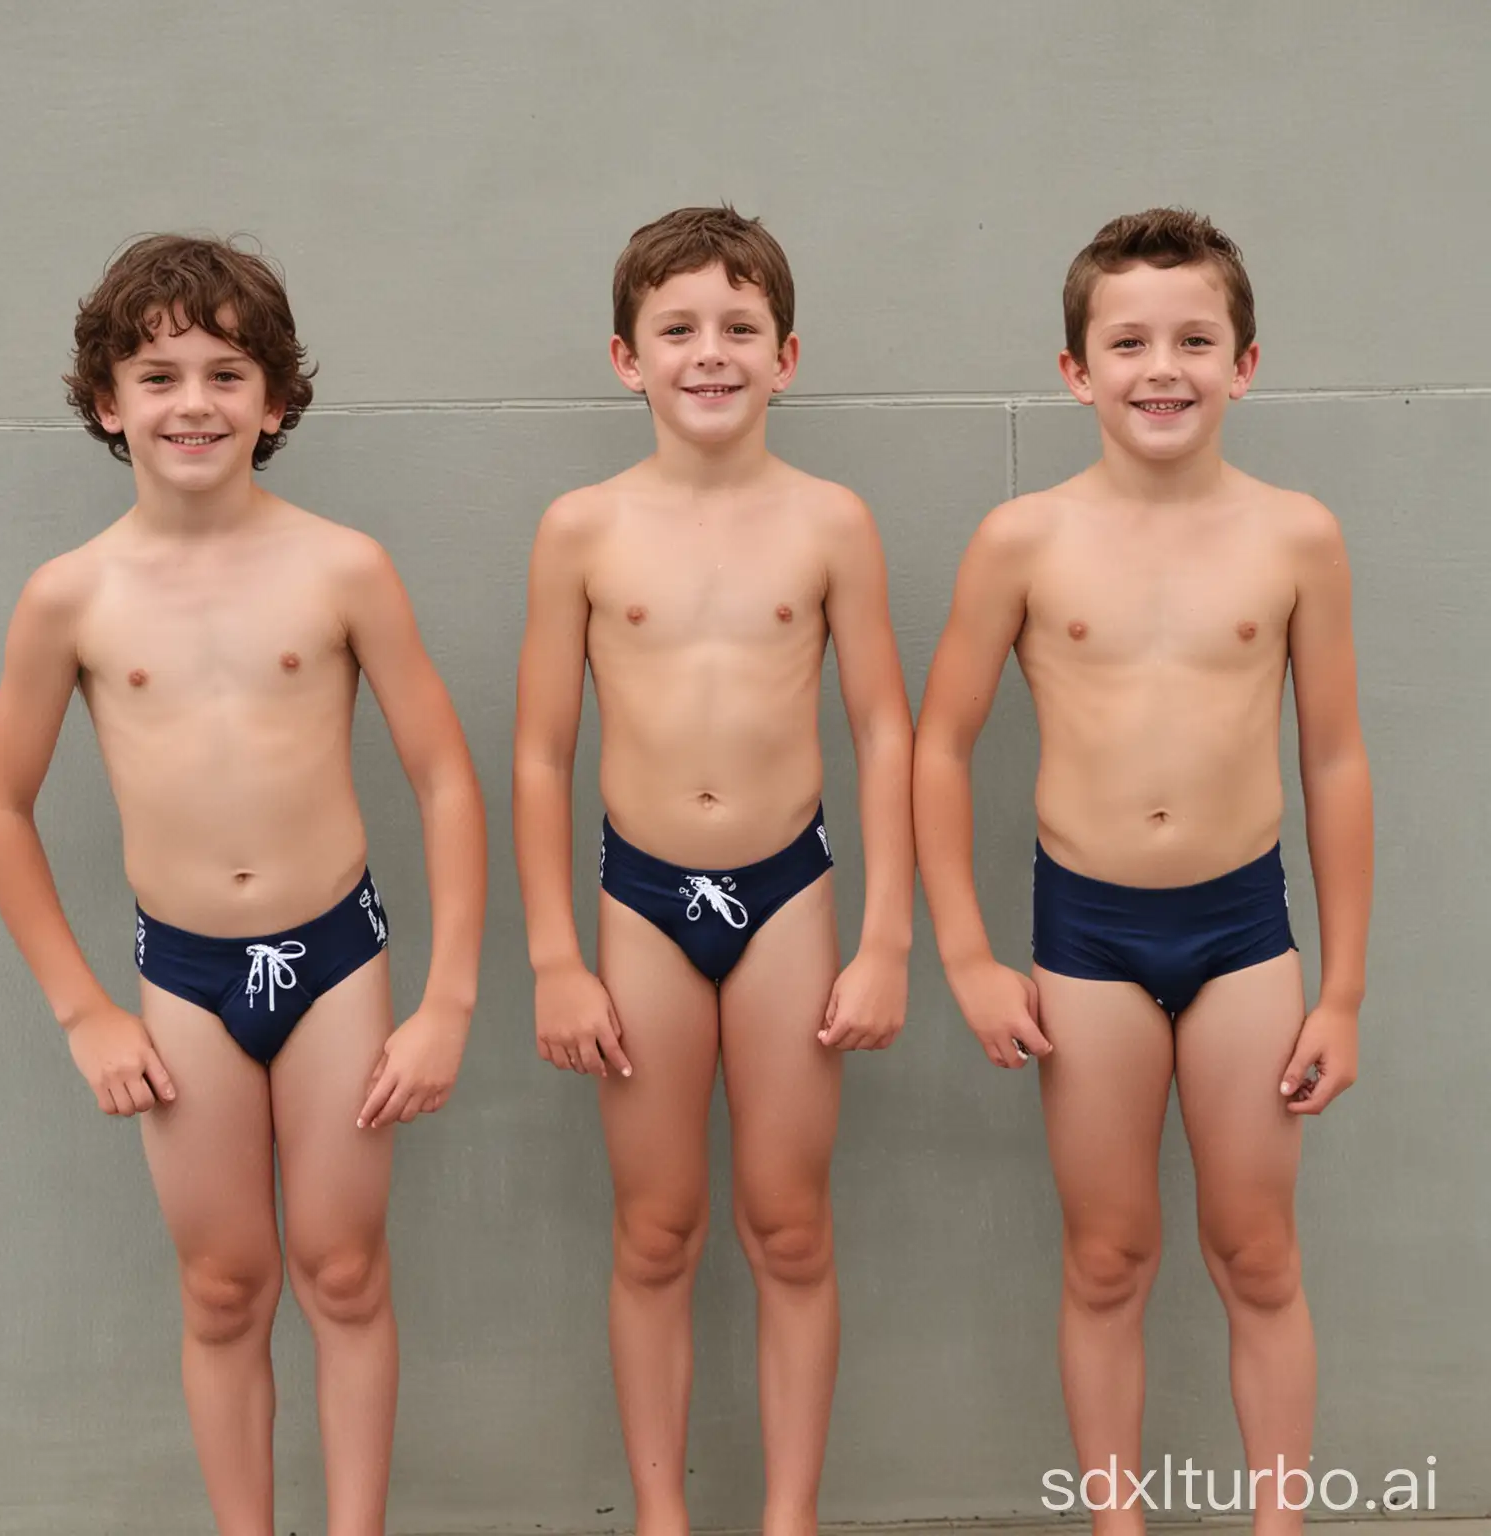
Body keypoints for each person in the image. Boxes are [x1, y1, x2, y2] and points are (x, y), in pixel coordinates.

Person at [0, 234, 487, 1536]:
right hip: (184, 980)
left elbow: (443, 778)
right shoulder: (69, 597)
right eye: (157, 374)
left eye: (224, 371)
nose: (191, 401)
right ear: (107, 401)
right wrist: (85, 1009)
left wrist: (448, 1003)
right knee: (222, 1284)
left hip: (337, 966)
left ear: (275, 399)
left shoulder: (341, 567)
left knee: (344, 1270)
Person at [913, 208, 1373, 1534]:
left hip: (1243, 933)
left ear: (1246, 362)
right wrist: (965, 954)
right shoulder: (1024, 541)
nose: (1159, 367)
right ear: (1075, 370)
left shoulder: (1297, 537)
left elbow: (1335, 763)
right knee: (1109, 1254)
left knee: (1259, 1251)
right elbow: (938, 748)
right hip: (1088, 938)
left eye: (1192, 339)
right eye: (1127, 342)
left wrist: (1341, 991)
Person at [513, 205, 914, 1536]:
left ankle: (788, 1515)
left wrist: (888, 938)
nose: (710, 352)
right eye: (678, 329)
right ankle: (659, 1515)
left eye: (739, 328)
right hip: (641, 906)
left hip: (788, 893)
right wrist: (555, 957)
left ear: (786, 354)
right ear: (625, 358)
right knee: (657, 1229)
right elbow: (536, 752)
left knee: (789, 1223)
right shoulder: (581, 528)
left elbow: (884, 730)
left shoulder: (831, 521)